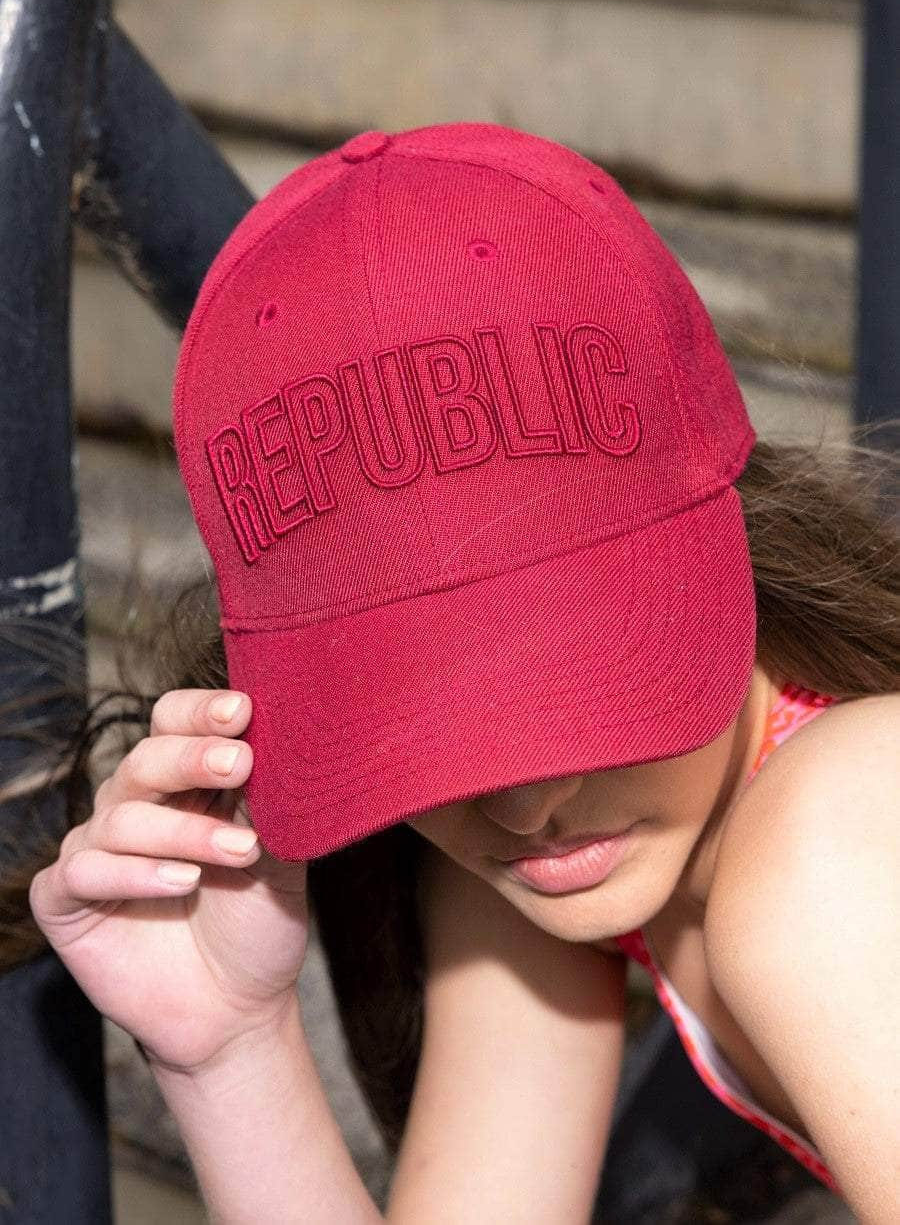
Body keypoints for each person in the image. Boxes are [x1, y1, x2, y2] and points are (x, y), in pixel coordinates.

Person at [21, 122, 900, 1224]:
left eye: (577, 682)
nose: (525, 802)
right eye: (437, 726)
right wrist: (227, 1049)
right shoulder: (564, 876)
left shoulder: (837, 835)